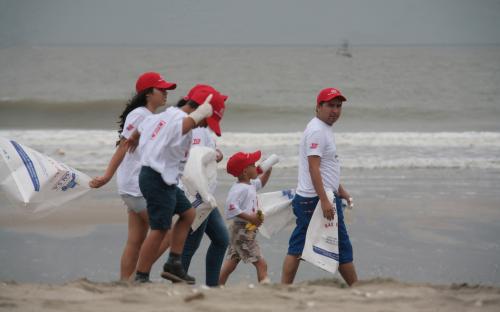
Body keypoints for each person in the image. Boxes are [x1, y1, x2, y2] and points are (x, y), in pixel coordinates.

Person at [130, 85, 226, 284]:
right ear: (199, 111)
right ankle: (141, 276)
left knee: (189, 214)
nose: (204, 125)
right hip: (157, 178)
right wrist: (199, 115)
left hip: (165, 179)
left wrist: (134, 138)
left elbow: (143, 126)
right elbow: (180, 127)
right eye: (207, 120)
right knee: (160, 229)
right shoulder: (180, 122)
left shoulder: (166, 115)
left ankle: (173, 262)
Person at [89, 72, 175, 280]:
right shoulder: (140, 115)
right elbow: (123, 147)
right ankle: (140, 274)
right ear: (148, 93)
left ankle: (125, 282)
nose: (165, 93)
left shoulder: (147, 116)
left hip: (134, 187)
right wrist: (107, 176)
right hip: (137, 188)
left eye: (166, 90)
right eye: (161, 89)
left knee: (135, 240)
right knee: (168, 230)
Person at [281, 87, 358, 286]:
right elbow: (313, 168)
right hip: (315, 200)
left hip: (312, 198)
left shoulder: (323, 128)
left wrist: (341, 190)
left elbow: (326, 168)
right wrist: (325, 200)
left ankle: (283, 287)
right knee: (341, 245)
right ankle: (356, 288)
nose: (335, 110)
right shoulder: (317, 130)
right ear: (318, 107)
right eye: (330, 105)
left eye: (339, 106)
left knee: (298, 246)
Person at [177, 85, 230, 287]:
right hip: (197, 197)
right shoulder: (198, 128)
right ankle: (179, 284)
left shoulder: (202, 127)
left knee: (221, 239)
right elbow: (194, 159)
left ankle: (212, 286)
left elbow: (202, 154)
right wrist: (214, 155)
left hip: (206, 197)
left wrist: (215, 154)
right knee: (190, 244)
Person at [219, 151, 272, 285]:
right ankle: (265, 290)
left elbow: (261, 183)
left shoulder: (250, 184)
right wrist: (251, 218)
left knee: (231, 262)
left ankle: (217, 286)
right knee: (261, 263)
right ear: (245, 171)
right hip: (242, 231)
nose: (256, 167)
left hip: (242, 231)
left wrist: (268, 170)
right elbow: (231, 207)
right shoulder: (239, 189)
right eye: (253, 165)